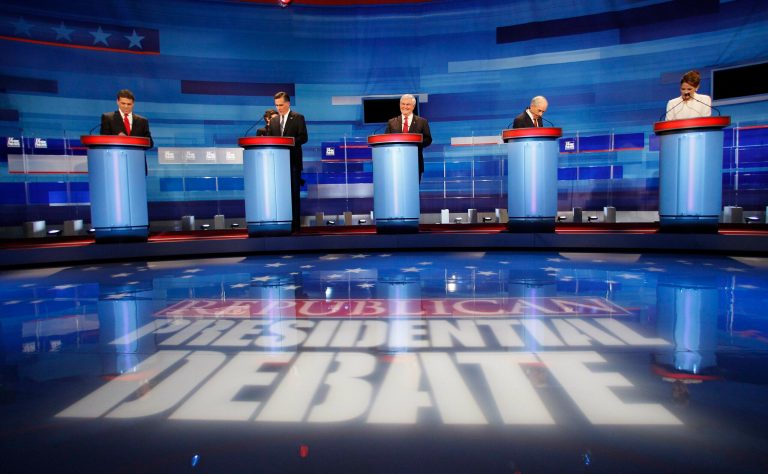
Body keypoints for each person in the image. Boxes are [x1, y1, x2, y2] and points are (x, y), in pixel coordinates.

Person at [268, 92, 308, 232]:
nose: (279, 108)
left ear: (288, 103)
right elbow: (271, 140)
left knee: (293, 194)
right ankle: (281, 224)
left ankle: (295, 226)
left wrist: (288, 143)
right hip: (277, 164)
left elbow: (303, 138)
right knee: (279, 194)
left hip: (293, 163)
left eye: (281, 104)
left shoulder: (298, 118)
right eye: (277, 105)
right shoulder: (273, 121)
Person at [384, 94, 432, 181]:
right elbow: (386, 140)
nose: (405, 106)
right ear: (399, 105)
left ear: (413, 106)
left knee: (413, 189)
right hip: (395, 162)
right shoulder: (392, 122)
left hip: (415, 162)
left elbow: (428, 139)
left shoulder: (422, 122)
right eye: (403, 104)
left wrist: (415, 144)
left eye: (408, 104)